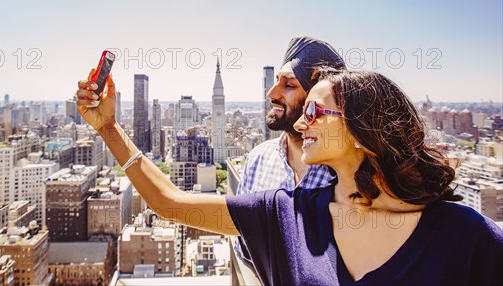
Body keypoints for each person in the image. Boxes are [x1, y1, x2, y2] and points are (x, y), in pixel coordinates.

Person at [76, 68, 503, 285]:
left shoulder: (465, 236)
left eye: (316, 111)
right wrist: (109, 128)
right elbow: (169, 203)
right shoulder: (286, 215)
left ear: (362, 129)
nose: (301, 124)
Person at [235, 36, 345, 267]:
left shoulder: (348, 171)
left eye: (289, 84)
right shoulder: (259, 159)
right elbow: (244, 248)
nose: (271, 93)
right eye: (276, 81)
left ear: (319, 99)